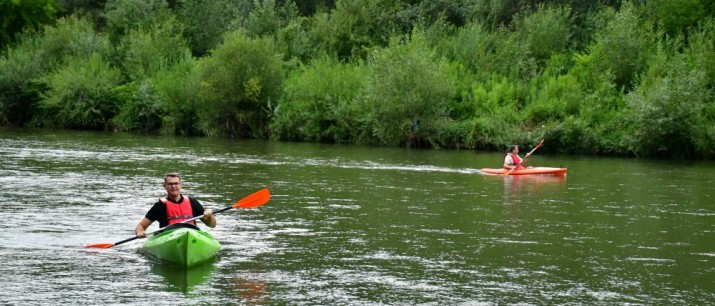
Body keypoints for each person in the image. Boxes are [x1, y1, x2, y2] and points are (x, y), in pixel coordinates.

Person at [135, 173, 215, 238]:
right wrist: (140, 232)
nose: (173, 186)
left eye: (176, 183)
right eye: (170, 184)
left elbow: (212, 225)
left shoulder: (192, 202)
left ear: (181, 185)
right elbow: (141, 225)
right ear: (165, 186)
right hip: (168, 237)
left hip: (191, 235)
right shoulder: (159, 206)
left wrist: (210, 216)